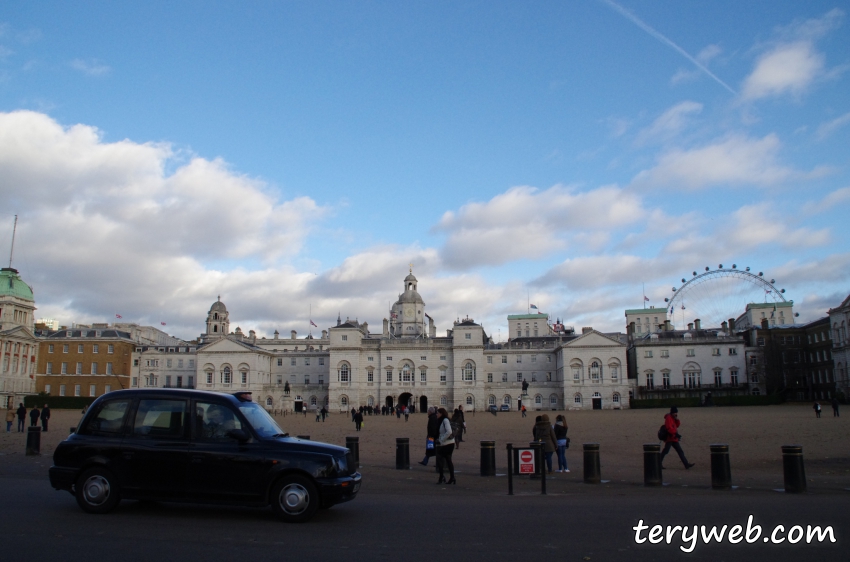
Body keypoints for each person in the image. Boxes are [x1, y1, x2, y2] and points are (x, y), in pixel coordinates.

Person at [435, 408, 456, 484]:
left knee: (440, 459)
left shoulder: (445, 420)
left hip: (448, 443)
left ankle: (442, 477)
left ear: (441, 413)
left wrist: (442, 439)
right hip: (447, 443)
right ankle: (452, 477)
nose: (436, 414)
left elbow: (449, 431)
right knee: (448, 460)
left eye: (437, 413)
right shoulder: (441, 421)